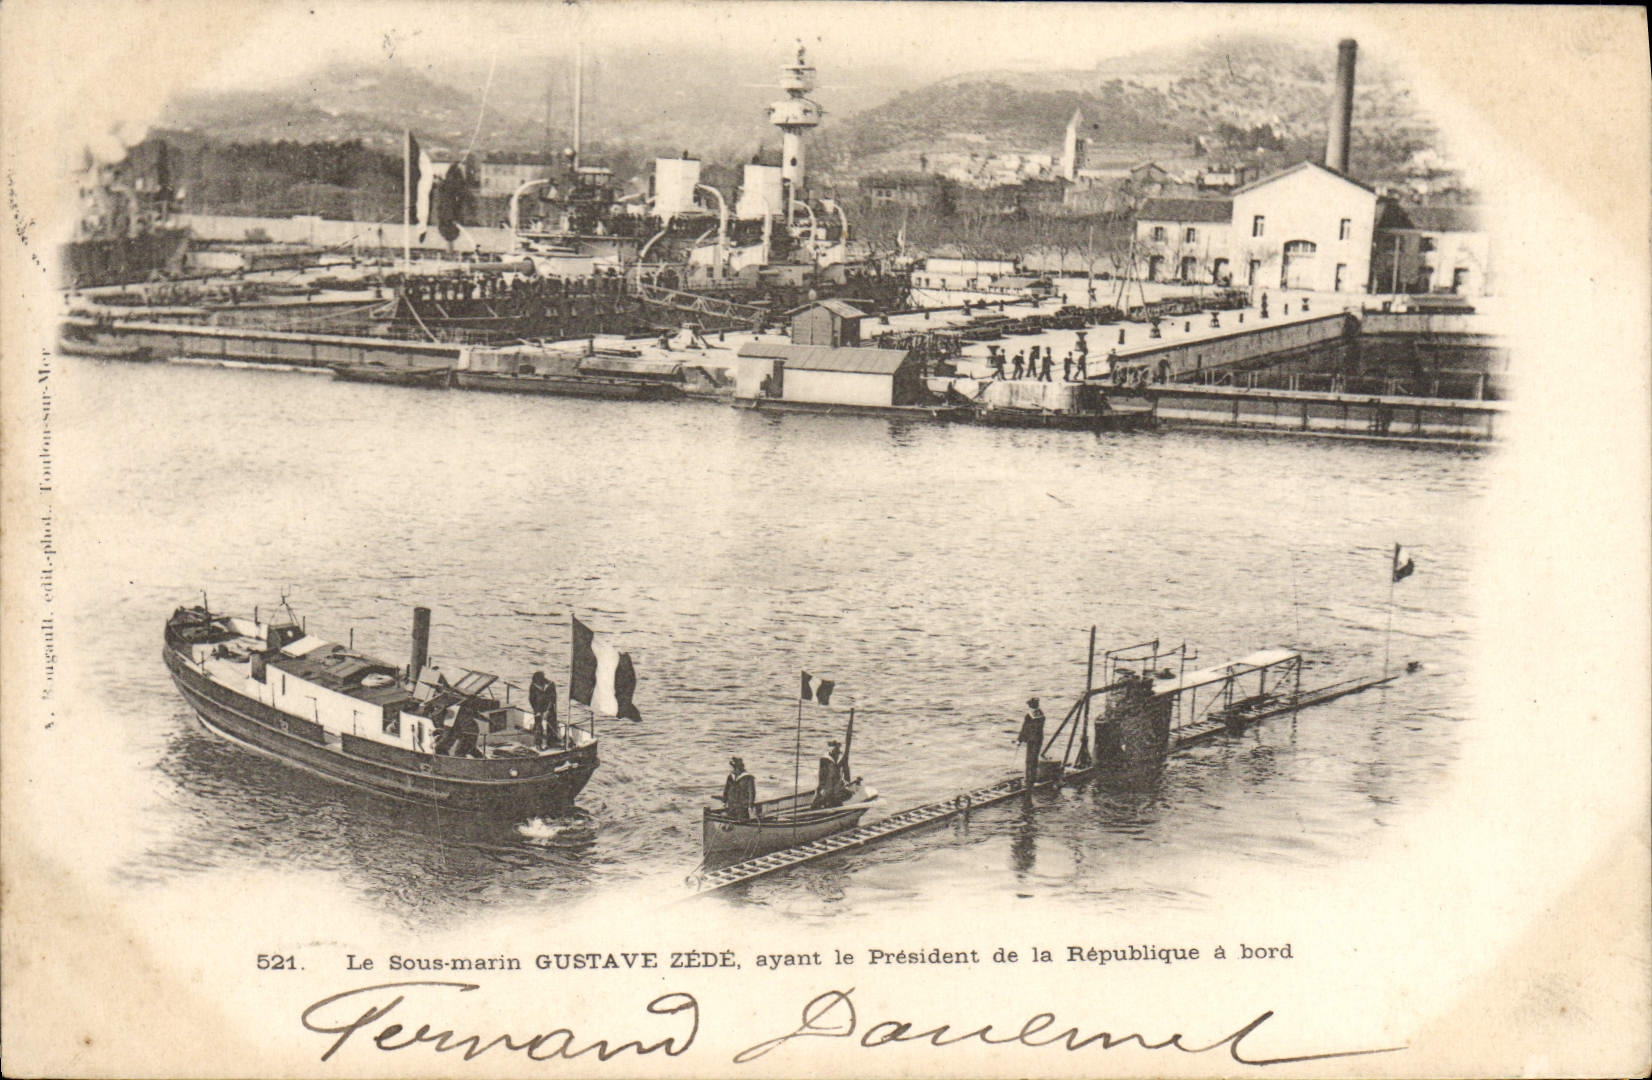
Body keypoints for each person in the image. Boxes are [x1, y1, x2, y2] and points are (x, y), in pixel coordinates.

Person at [1017, 697, 1046, 790]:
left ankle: (1029, 780)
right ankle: (1031, 779)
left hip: (1032, 740)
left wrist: (1020, 740)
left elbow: (1025, 728)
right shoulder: (1041, 715)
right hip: (1039, 739)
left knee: (1029, 760)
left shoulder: (1029, 716)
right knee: (1034, 759)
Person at [811, 740, 851, 809]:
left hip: (834, 788)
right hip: (828, 789)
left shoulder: (838, 761)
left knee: (847, 794)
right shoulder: (826, 761)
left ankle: (833, 803)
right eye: (836, 753)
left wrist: (845, 782)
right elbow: (824, 778)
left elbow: (844, 775)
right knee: (823, 800)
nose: (837, 756)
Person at [719, 756, 757, 821]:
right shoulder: (730, 777)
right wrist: (724, 801)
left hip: (742, 806)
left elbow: (752, 793)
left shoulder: (748, 778)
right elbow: (726, 789)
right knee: (731, 820)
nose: (732, 769)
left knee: (742, 820)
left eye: (734, 767)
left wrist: (750, 805)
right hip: (731, 805)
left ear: (738, 767)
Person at [529, 671, 559, 749]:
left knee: (552, 724)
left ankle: (551, 743)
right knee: (538, 725)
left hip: (549, 708)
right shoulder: (533, 686)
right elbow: (532, 700)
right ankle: (538, 743)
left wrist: (547, 711)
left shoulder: (551, 685)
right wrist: (537, 711)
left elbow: (553, 699)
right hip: (538, 707)